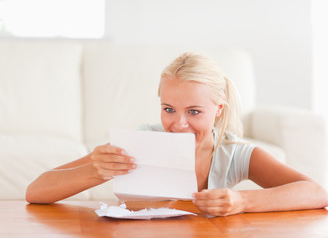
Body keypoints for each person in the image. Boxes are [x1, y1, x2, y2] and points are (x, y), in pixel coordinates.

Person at [26, 52, 328, 216]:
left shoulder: (235, 155)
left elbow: (317, 192)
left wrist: (243, 201)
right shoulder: (140, 143)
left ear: (218, 109)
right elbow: (35, 192)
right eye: (168, 109)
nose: (178, 124)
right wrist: (95, 168)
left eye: (194, 112)